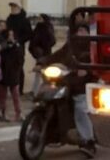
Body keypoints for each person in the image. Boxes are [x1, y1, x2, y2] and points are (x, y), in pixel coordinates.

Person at [41, 24, 97, 157]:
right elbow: (58, 55)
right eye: (79, 30)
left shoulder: (93, 46)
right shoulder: (71, 45)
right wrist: (42, 62)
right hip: (67, 79)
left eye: (84, 30)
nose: (81, 32)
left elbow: (96, 62)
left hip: (84, 83)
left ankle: (89, 141)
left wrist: (87, 70)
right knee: (49, 95)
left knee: (80, 108)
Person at [0, 28, 23, 122]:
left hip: (13, 72)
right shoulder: (3, 46)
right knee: (2, 95)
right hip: (3, 72)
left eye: (12, 35)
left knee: (15, 94)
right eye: (9, 35)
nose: (11, 37)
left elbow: (20, 58)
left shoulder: (17, 46)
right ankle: (3, 113)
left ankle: (18, 113)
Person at [7, 2, 33, 95]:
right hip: (8, 47)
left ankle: (19, 90)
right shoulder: (9, 19)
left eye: (14, 6)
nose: (12, 8)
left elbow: (29, 34)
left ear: (19, 8)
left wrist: (18, 41)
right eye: (11, 7)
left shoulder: (24, 20)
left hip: (19, 48)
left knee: (18, 68)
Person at [28, 14, 56, 95]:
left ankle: (42, 91)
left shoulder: (47, 28)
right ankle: (35, 91)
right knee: (38, 73)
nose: (38, 19)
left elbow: (52, 41)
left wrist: (42, 47)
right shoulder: (38, 27)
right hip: (39, 53)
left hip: (45, 53)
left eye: (40, 18)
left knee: (44, 73)